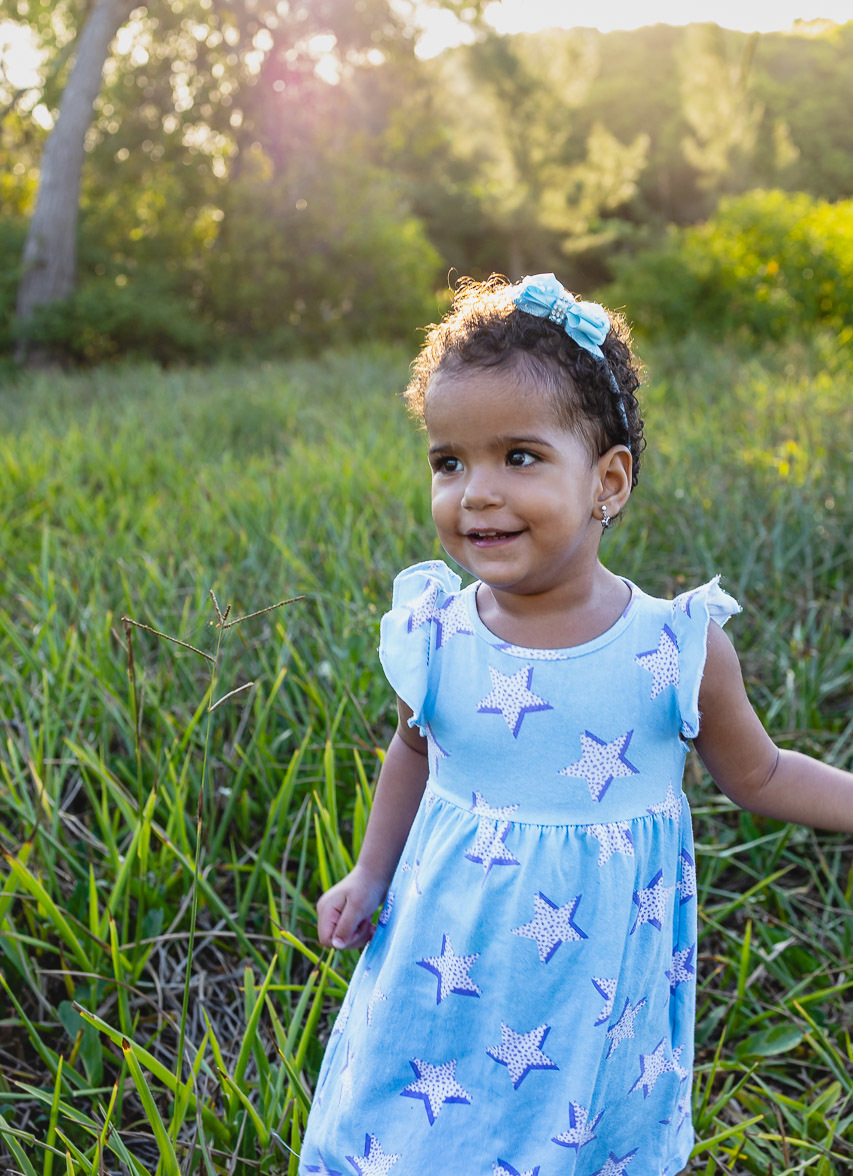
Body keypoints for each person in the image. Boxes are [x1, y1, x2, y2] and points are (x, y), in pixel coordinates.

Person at [298, 272, 853, 1176]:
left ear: (608, 480)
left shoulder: (673, 645)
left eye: (518, 456)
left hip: (592, 987)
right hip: (447, 958)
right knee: (412, 1131)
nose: (474, 492)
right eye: (449, 460)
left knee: (577, 1140)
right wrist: (369, 870)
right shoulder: (435, 633)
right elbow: (412, 751)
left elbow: (759, 776)